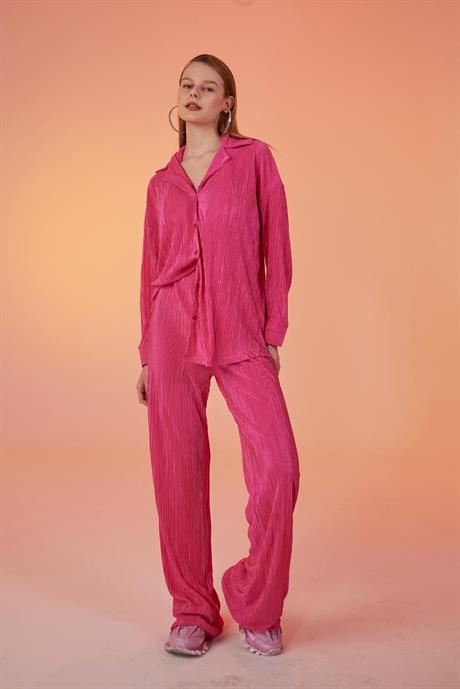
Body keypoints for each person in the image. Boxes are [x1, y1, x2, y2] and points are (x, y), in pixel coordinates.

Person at [136, 53, 300, 657]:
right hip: (172, 328)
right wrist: (146, 352)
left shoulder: (253, 160)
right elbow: (150, 268)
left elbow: (276, 246)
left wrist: (273, 330)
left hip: (240, 327)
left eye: (208, 87)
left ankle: (256, 601)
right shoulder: (161, 182)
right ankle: (193, 612)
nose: (194, 94)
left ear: (227, 102)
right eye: (187, 84)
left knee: (278, 466)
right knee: (176, 472)